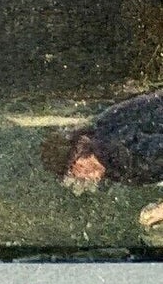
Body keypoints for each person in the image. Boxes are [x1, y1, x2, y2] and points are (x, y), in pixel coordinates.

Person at [40, 88, 163, 229]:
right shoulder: (100, 132)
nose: (81, 178)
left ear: (78, 159)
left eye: (74, 173)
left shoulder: (122, 154)